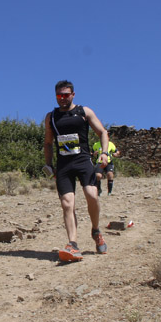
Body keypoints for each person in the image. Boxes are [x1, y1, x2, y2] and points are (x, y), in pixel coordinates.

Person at [43, 80, 109, 262]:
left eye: (66, 95)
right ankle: (73, 244)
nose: (62, 98)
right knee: (67, 204)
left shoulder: (84, 112)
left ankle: (96, 230)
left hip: (83, 161)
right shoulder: (51, 117)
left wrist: (104, 153)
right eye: (59, 95)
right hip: (64, 165)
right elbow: (48, 143)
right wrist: (48, 164)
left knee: (92, 195)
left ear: (73, 95)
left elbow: (103, 132)